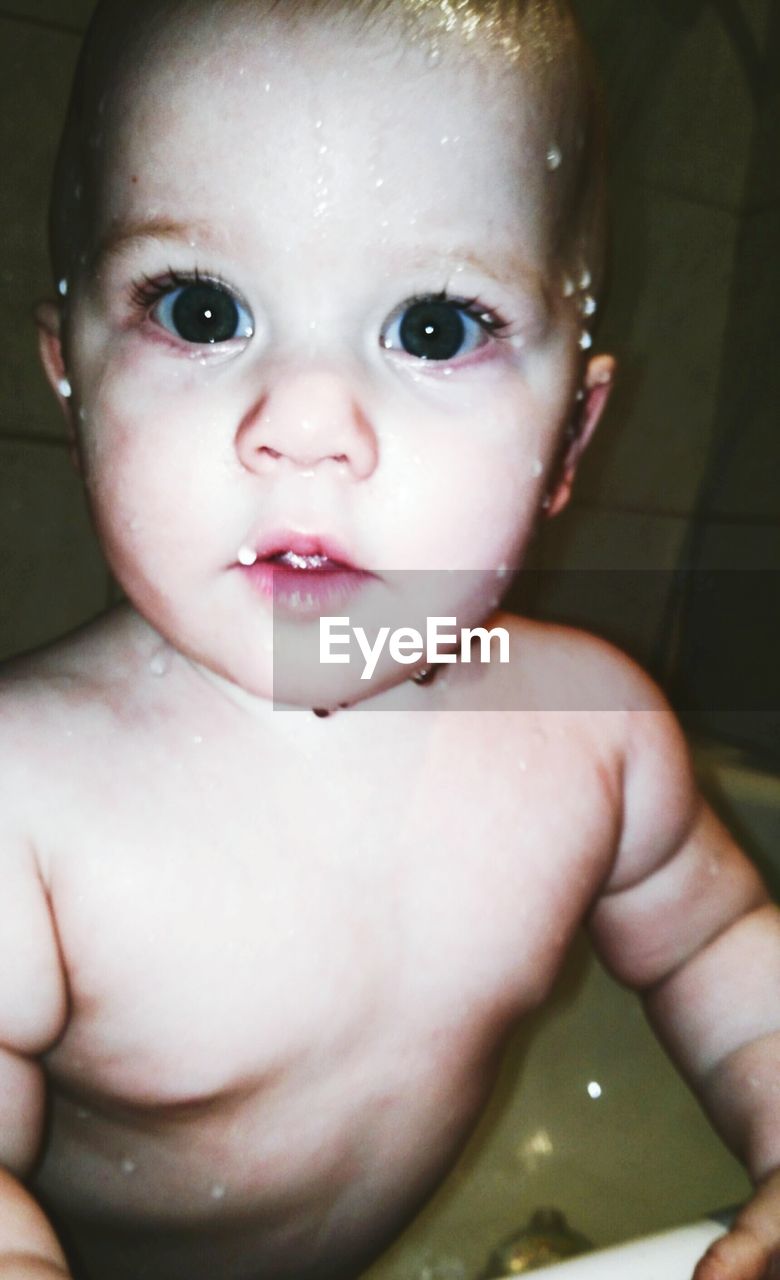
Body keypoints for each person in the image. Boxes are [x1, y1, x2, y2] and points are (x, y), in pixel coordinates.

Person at [1, 0, 778, 1277]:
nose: (306, 421)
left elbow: (719, 946)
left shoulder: (594, 735)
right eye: (202, 310)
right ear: (68, 371)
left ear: (571, 442)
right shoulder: (24, 807)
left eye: (434, 328)